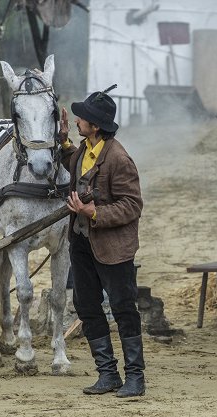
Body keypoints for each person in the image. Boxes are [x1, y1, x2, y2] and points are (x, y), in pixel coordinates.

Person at [58, 86, 146, 397]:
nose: (79, 119)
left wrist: (94, 213)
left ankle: (135, 377)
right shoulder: (84, 149)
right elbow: (74, 163)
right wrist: (64, 138)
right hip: (82, 243)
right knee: (86, 306)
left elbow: (132, 205)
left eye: (83, 118)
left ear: (96, 126)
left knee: (123, 308)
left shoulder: (119, 158)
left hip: (113, 248)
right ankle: (107, 374)